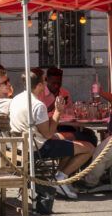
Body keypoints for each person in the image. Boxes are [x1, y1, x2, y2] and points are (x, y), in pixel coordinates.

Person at [10, 69, 94, 199]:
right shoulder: (37, 105)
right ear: (38, 85)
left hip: (22, 145)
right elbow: (48, 134)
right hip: (38, 147)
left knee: (71, 138)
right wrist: (58, 112)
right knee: (89, 148)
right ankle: (60, 178)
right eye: (44, 81)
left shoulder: (16, 99)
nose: (45, 84)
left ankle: (61, 178)